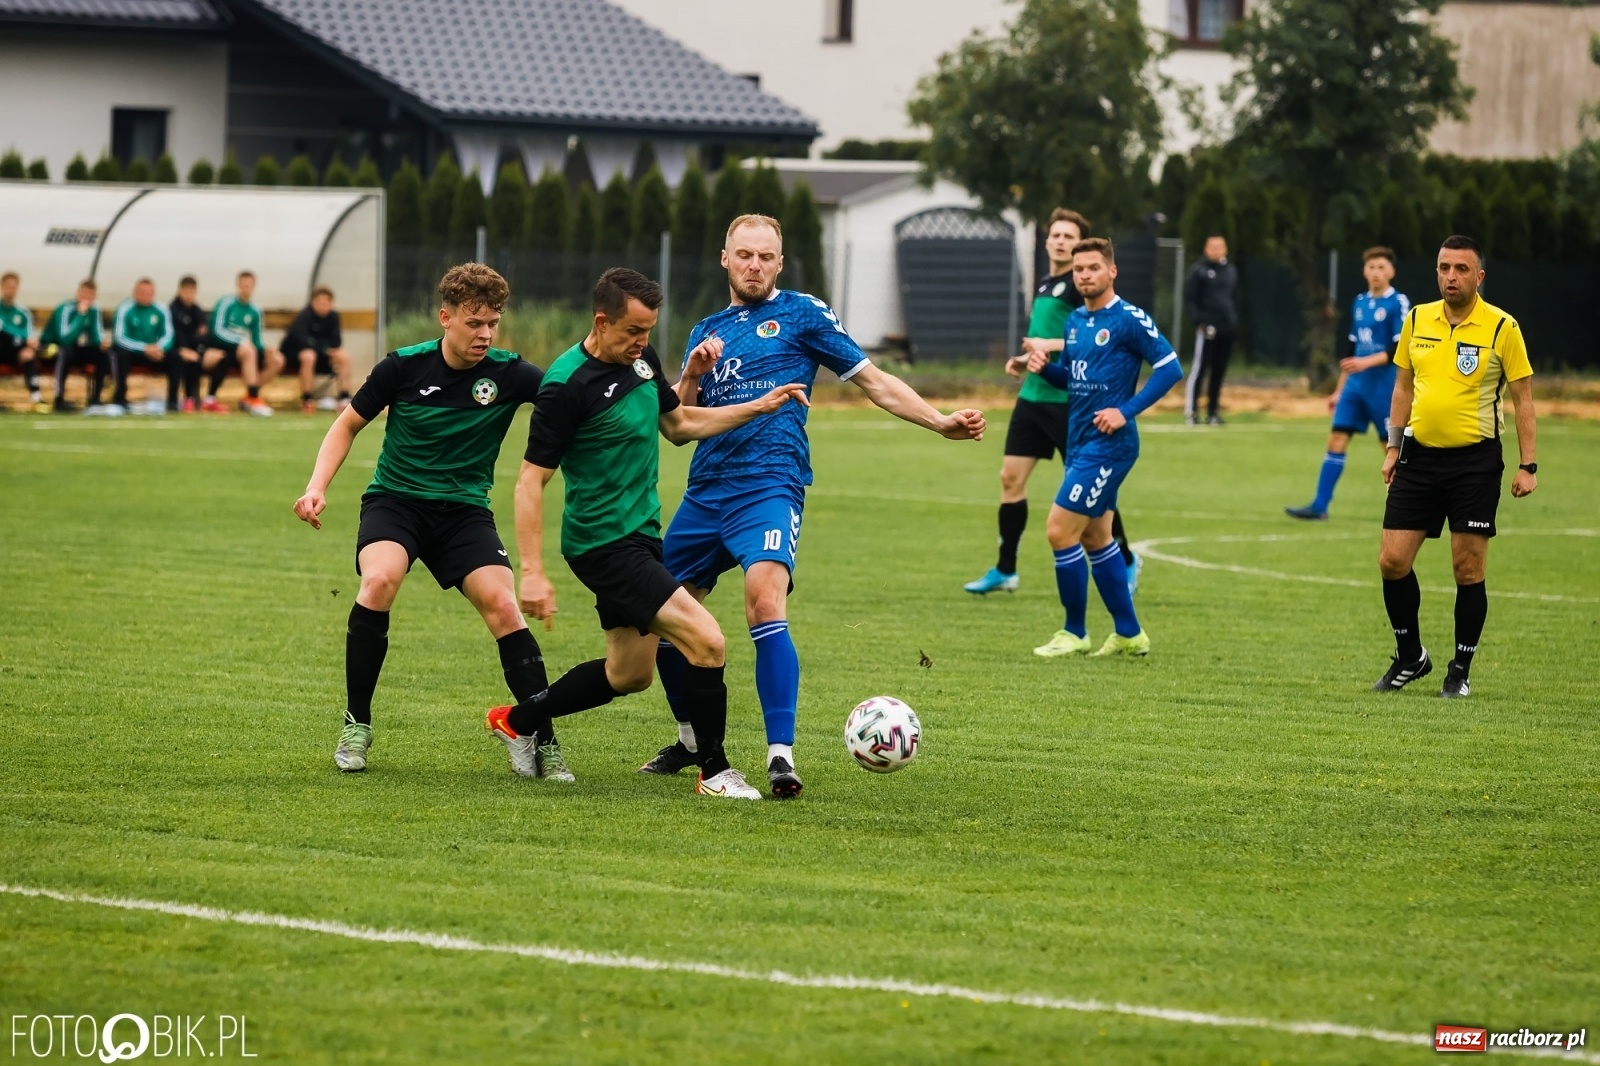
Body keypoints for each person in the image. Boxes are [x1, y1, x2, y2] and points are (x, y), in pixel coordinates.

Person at [637, 214, 985, 799]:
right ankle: (694, 740)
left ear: (779, 262)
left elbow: (873, 380)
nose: (754, 265)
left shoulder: (802, 314)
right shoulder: (707, 329)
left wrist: (939, 422)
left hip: (770, 486)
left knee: (762, 600)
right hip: (704, 493)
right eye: (743, 254)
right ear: (725, 258)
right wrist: (691, 375)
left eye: (765, 256)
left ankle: (780, 756)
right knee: (663, 619)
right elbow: (678, 429)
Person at [486, 267, 809, 800]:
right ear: (601, 320)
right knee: (707, 640)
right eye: (633, 331)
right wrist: (532, 570)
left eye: (648, 332)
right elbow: (529, 481)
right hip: (602, 544)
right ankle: (715, 770)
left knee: (629, 673)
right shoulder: (565, 386)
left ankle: (517, 721)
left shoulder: (640, 359)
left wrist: (758, 406)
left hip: (641, 538)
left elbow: (678, 425)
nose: (642, 342)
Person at [293, 263, 551, 775]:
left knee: (503, 604)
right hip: (396, 502)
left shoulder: (510, 373)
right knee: (380, 579)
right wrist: (316, 487)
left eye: (492, 323)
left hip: (463, 513)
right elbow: (346, 426)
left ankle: (541, 736)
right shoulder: (402, 368)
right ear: (445, 318)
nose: (484, 334)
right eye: (474, 322)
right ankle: (357, 724)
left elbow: (569, 402)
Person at [1374, 235, 1536, 700]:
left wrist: (1528, 464)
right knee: (1392, 561)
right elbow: (1403, 388)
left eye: (1461, 269)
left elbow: (1524, 399)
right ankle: (1411, 657)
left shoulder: (1502, 327)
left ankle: (1459, 670)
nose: (1451, 277)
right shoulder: (1416, 318)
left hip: (1474, 462)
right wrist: (1392, 447)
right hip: (1418, 457)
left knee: (1467, 569)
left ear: (1479, 276)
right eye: (1444, 268)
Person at [966, 208, 1141, 598]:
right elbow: (1043, 337)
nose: (1060, 241)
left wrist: (1050, 346)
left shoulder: (1084, 284)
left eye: (1068, 236)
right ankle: (1005, 570)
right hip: (1032, 397)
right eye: (1056, 235)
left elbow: (1099, 335)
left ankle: (1126, 559)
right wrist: (1025, 359)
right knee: (1010, 479)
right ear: (1046, 241)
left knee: (1091, 488)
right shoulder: (1046, 284)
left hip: (1071, 400)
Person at [1024, 238, 1183, 659]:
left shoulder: (1129, 319)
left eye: (1093, 267)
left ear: (1112, 271)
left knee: (1059, 531)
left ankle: (1074, 632)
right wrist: (1048, 370)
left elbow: (1170, 368)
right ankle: (1130, 634)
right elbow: (1075, 382)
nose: (1085, 275)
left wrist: (1125, 411)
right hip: (1079, 442)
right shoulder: (1075, 320)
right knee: (1096, 536)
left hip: (1109, 445)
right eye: (1079, 270)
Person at [1287, 247, 1410, 520]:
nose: (1376, 272)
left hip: (1385, 389)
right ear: (1364, 271)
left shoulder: (1398, 302)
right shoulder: (1360, 302)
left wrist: (1364, 363)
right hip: (1355, 388)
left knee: (1390, 448)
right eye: (1371, 267)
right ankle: (1320, 506)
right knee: (1336, 439)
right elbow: (1351, 351)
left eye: (1381, 267)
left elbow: (1399, 347)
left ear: (1391, 271)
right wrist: (1338, 391)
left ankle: (1404, 510)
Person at [203, 270, 281, 416]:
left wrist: (266, 350)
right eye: (243, 285)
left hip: (244, 351)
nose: (246, 288)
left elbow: (257, 340)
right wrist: (240, 341)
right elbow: (217, 331)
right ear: (238, 285)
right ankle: (253, 398)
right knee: (248, 350)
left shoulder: (255, 310)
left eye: (249, 285)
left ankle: (249, 395)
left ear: (254, 286)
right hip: (222, 348)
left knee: (277, 360)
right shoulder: (226, 303)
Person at [1182, 235, 1238, 425]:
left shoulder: (1230, 271)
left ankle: (1213, 412)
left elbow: (1234, 298)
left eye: (1219, 246)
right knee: (1200, 368)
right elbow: (1190, 298)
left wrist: (1233, 321)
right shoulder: (1199, 271)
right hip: (1207, 327)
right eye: (1212, 246)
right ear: (1206, 248)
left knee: (1219, 370)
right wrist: (1199, 321)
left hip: (1226, 327)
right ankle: (1192, 412)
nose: (1216, 250)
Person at [40, 279, 110, 413]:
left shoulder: (94, 310)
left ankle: (96, 399)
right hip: (50, 349)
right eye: (84, 295)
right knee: (64, 352)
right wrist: (80, 315)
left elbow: (95, 336)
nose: (87, 299)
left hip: (72, 348)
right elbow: (64, 338)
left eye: (91, 296)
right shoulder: (65, 308)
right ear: (78, 294)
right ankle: (59, 399)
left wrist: (102, 343)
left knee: (103, 354)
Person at [110, 277, 177, 415]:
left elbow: (169, 335)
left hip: (155, 352)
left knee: (176, 358)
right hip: (133, 352)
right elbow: (119, 338)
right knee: (120, 356)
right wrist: (144, 348)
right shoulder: (125, 308)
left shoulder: (161, 309)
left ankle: (172, 402)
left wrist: (158, 348)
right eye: (142, 292)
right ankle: (120, 398)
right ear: (134, 292)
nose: (146, 295)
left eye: (149, 292)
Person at [282, 286, 351, 413]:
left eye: (326, 303)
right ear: (313, 302)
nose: (323, 306)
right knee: (309, 355)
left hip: (323, 357)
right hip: (296, 358)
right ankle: (307, 398)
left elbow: (336, 341)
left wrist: (323, 349)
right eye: (320, 303)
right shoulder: (305, 316)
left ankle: (344, 397)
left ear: (331, 304)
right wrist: (323, 348)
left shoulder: (334, 316)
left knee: (343, 355)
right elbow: (302, 340)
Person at [0, 272, 44, 411]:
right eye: (8, 286)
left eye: (14, 287)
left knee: (28, 354)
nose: (11, 290)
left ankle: (36, 399)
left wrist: (6, 328)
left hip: (15, 351)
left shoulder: (22, 312)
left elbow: (28, 336)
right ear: (2, 286)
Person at [168, 276, 208, 412]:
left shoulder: (198, 311)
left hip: (194, 351)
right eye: (187, 291)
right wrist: (185, 345)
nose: (190, 295)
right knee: (178, 359)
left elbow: (204, 336)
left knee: (199, 358)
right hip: (175, 349)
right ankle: (173, 401)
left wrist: (194, 341)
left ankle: (194, 399)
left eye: (193, 291)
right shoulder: (172, 309)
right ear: (180, 290)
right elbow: (175, 335)